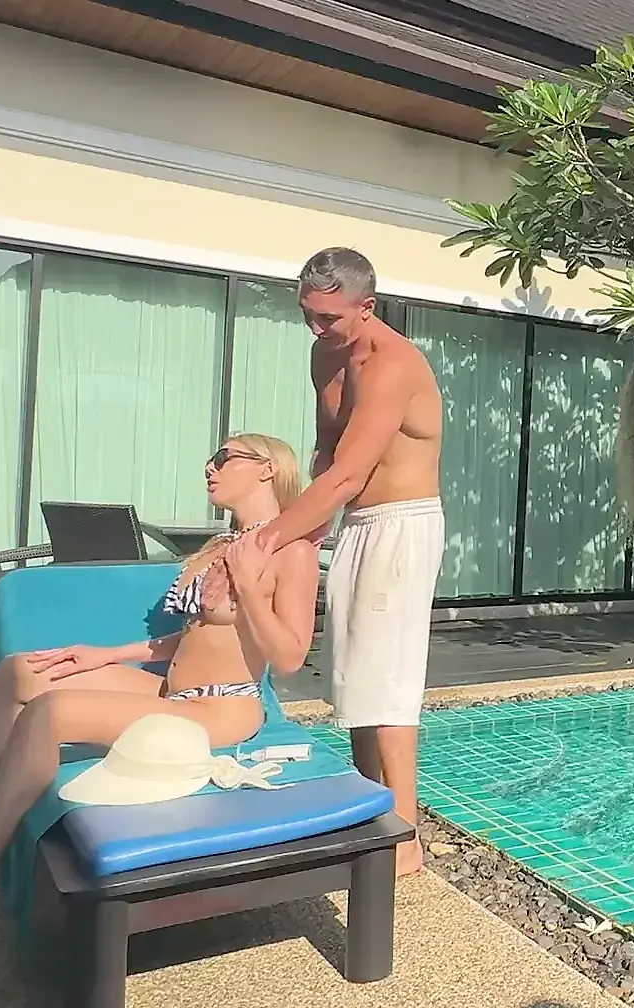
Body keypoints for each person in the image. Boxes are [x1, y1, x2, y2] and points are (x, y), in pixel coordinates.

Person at [0, 434, 320, 986]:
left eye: (224, 457)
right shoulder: (224, 543)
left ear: (266, 468)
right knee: (21, 671)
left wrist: (246, 582)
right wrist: (109, 654)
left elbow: (290, 657)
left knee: (49, 713)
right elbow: (197, 636)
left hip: (224, 707)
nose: (209, 466)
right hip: (171, 691)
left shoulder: (291, 551)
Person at [232, 246, 445, 878]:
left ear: (367, 306)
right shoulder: (325, 354)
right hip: (357, 523)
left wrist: (268, 541)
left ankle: (404, 836)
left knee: (389, 679)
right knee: (352, 676)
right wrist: (304, 533)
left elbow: (351, 473)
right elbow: (327, 453)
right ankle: (367, 808)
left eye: (328, 317)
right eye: (308, 314)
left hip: (402, 525)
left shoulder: (394, 365)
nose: (316, 327)